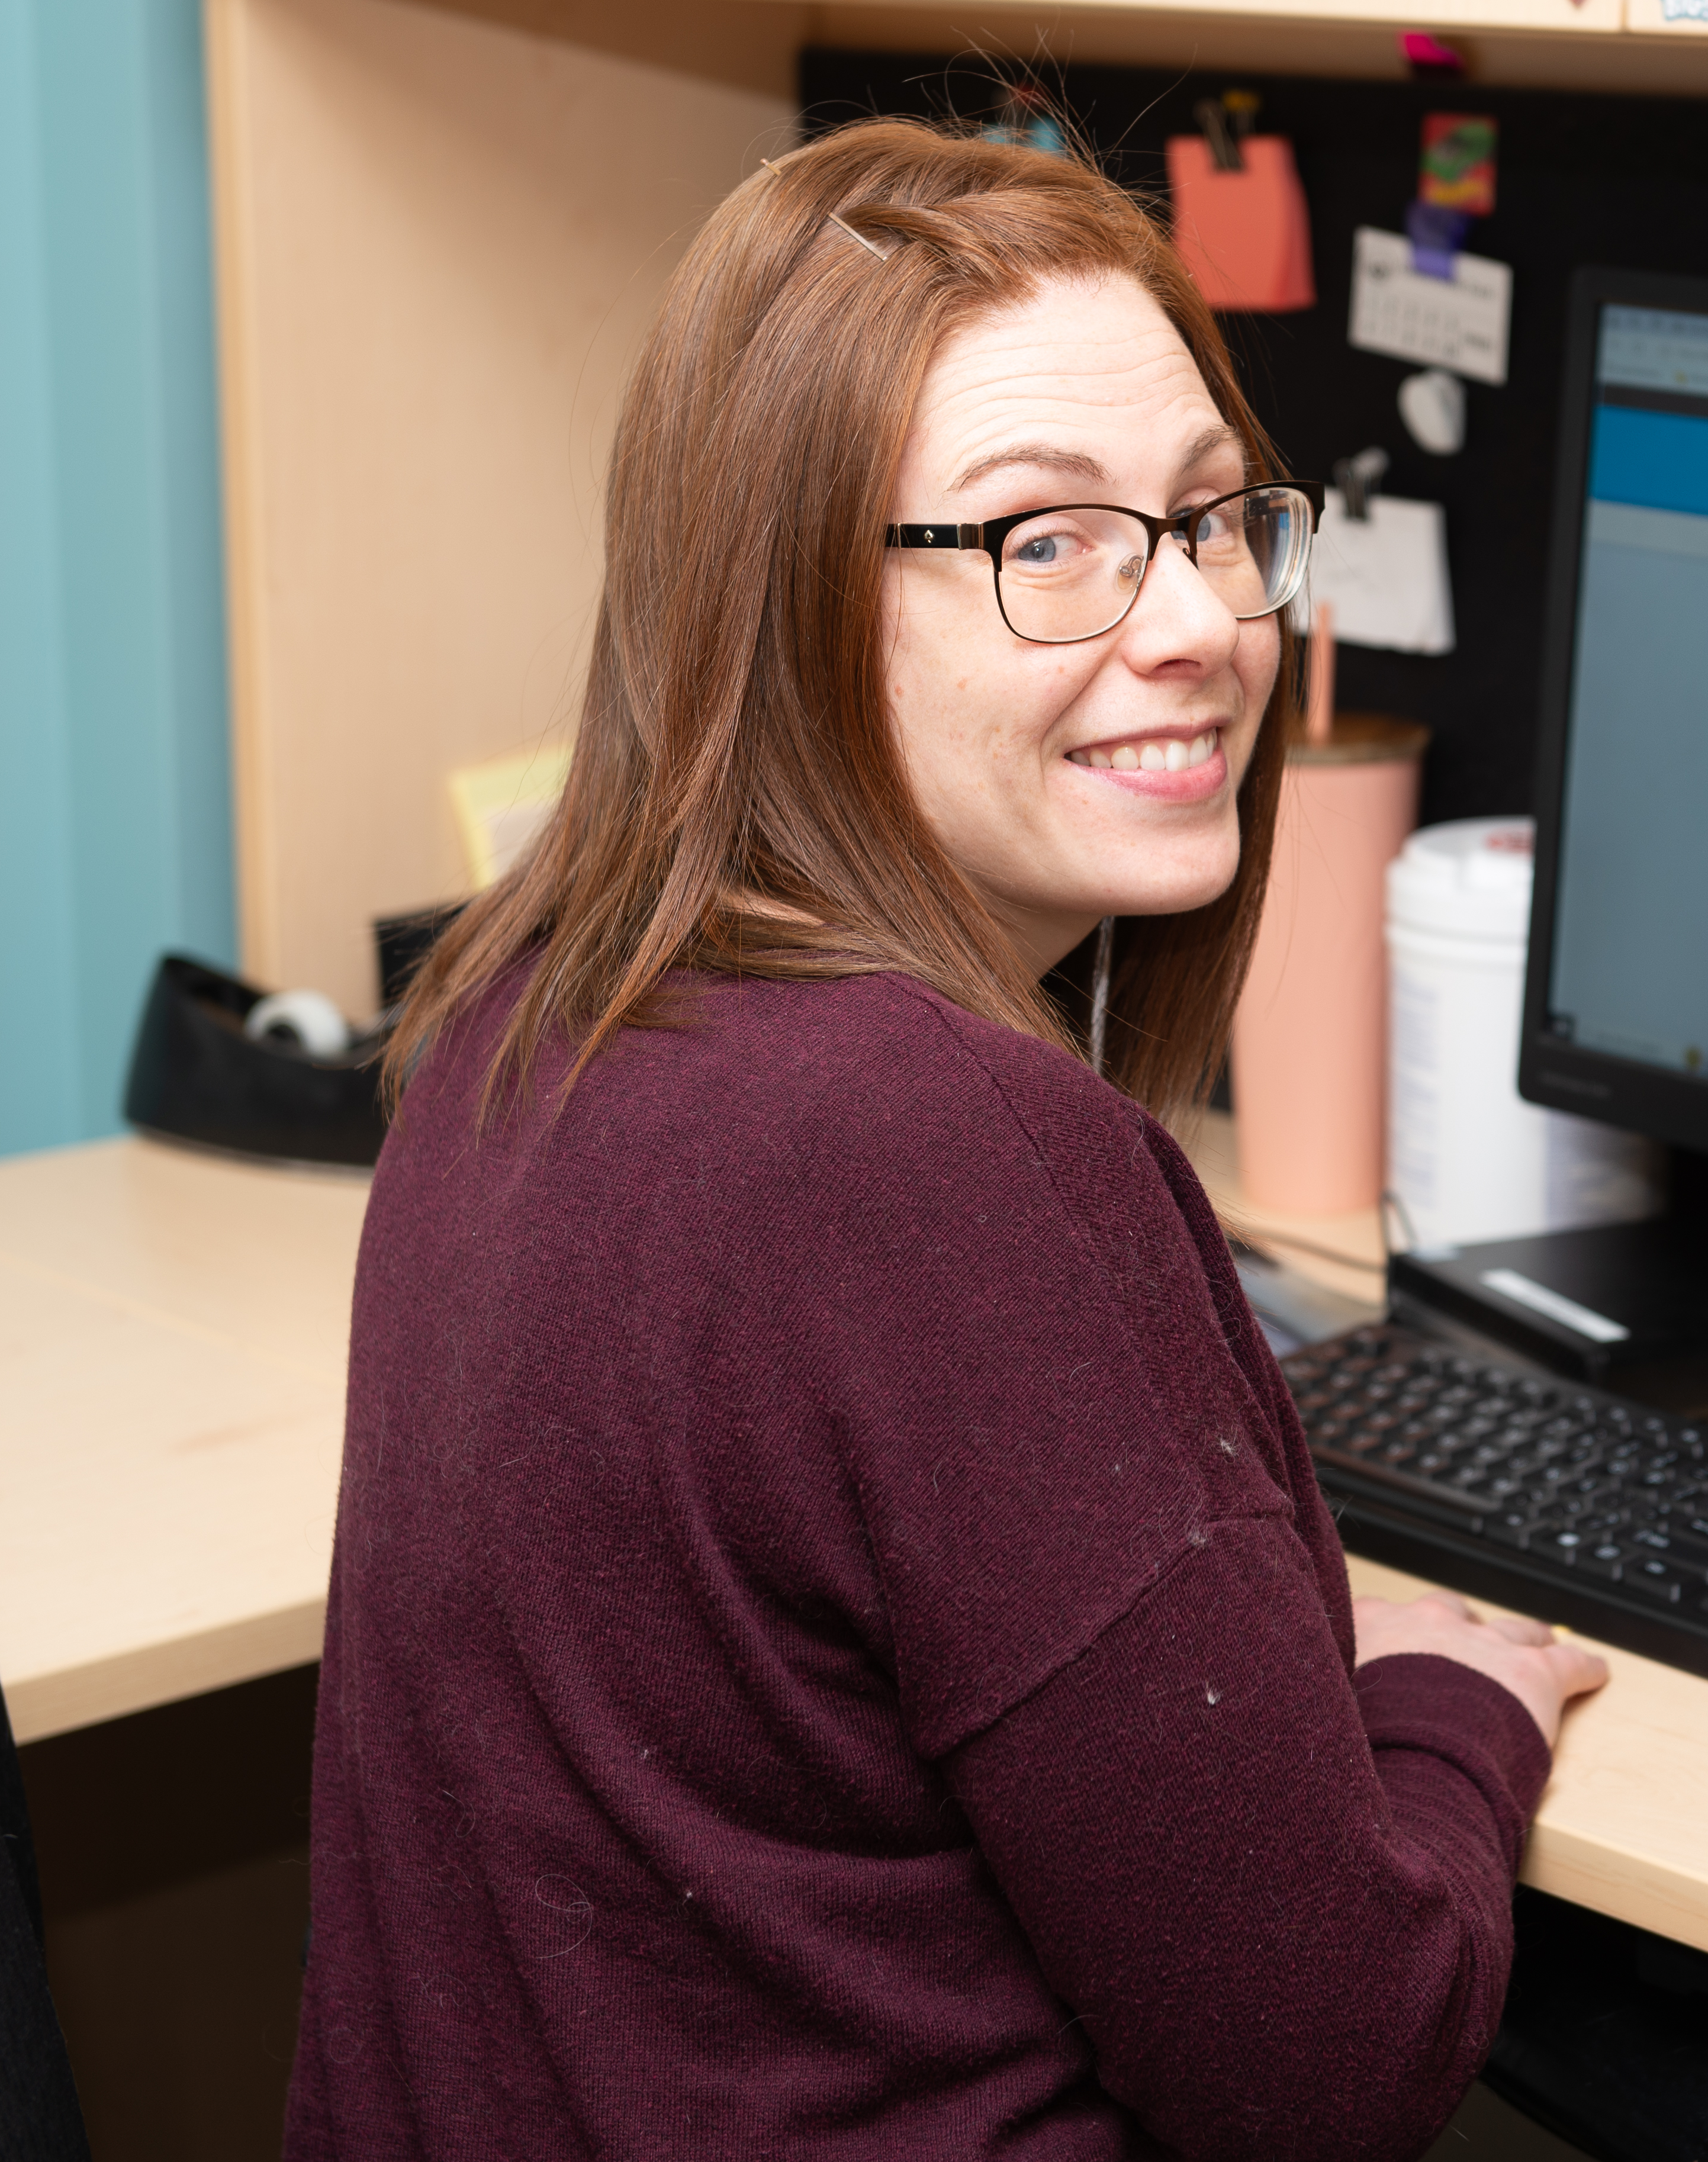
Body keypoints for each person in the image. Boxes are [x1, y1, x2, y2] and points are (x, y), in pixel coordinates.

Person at [284, 119, 1607, 2161]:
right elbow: (1332, 2063)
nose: (1195, 622)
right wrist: (1453, 1716)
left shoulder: (529, 999)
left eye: (1210, 518)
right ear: (788, 606)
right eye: (1043, 541)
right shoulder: (938, 1151)